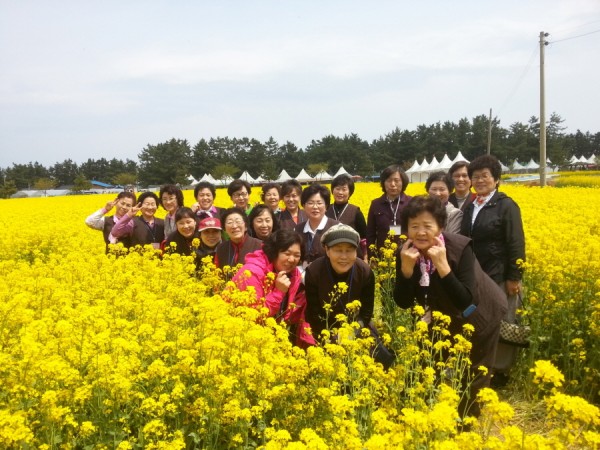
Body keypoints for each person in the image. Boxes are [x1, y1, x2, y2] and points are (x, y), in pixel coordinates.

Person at [394, 196, 507, 417]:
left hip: (479, 315)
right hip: (440, 316)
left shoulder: (460, 248)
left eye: (428, 226)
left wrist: (443, 267)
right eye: (414, 226)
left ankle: (466, 424)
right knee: (426, 364)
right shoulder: (406, 252)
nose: (421, 232)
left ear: (440, 227)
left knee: (473, 373)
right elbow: (403, 302)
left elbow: (466, 300)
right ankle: (418, 418)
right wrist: (406, 270)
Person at [460, 155, 526, 387]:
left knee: (504, 321)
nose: (479, 180)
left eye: (485, 176)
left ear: (496, 179)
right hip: (477, 275)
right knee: (481, 322)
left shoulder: (506, 206)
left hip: (499, 274)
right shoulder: (471, 206)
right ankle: (482, 365)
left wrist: (514, 277)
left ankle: (500, 371)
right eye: (475, 176)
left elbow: (516, 243)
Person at [233, 229, 316, 348]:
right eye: (287, 253)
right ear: (274, 252)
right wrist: (278, 292)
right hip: (241, 337)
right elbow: (252, 316)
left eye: (297, 255)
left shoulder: (293, 274)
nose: (291, 259)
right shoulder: (252, 273)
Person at [366, 165, 412, 257]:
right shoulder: (376, 204)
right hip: (383, 255)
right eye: (389, 180)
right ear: (383, 183)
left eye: (396, 180)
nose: (393, 184)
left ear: (403, 182)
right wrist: (372, 256)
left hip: (408, 253)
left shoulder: (411, 202)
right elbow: (370, 233)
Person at [295, 183, 339, 266]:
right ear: (304, 206)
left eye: (319, 203)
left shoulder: (337, 228)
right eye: (310, 203)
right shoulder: (298, 230)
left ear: (326, 206)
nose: (315, 207)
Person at [326, 174, 368, 258]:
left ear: (350, 192)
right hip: (329, 255)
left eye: (344, 189)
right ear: (332, 191)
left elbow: (364, 237)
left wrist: (365, 256)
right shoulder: (326, 210)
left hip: (352, 255)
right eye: (337, 189)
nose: (340, 192)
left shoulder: (356, 211)